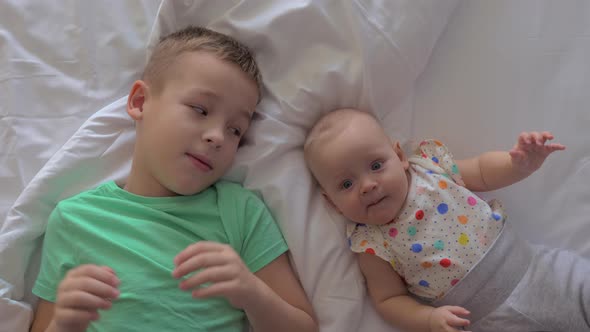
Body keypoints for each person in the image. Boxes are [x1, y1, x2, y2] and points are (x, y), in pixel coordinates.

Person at [29, 26, 318, 332]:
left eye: (236, 130)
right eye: (200, 109)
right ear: (140, 102)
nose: (218, 137)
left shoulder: (238, 211)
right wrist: (63, 323)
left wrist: (252, 293)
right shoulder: (75, 220)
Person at [303, 108, 590, 332]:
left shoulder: (430, 166)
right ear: (332, 203)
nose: (367, 185)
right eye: (346, 185)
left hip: (540, 273)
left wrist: (518, 165)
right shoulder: (370, 243)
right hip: (485, 321)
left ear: (399, 155)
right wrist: (428, 319)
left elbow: (481, 171)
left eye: (376, 166)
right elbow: (388, 300)